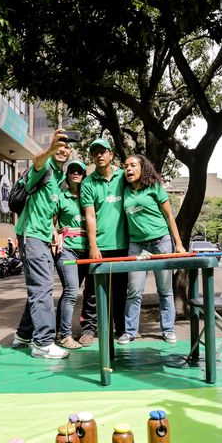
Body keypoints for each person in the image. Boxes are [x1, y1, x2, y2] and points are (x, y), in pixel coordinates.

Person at [12, 129, 72, 359]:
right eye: (60, 146)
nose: (63, 149)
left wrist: (55, 232)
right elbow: (37, 162)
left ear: (70, 153)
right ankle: (43, 343)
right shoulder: (44, 167)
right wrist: (50, 147)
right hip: (31, 236)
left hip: (44, 238)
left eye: (66, 147)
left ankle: (23, 335)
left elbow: (47, 212)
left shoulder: (58, 178)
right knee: (43, 288)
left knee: (39, 288)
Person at [117, 154, 185, 345]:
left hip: (160, 242)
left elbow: (169, 217)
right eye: (125, 167)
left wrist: (178, 244)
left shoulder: (155, 187)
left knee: (164, 289)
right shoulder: (126, 190)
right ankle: (130, 331)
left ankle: (168, 330)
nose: (128, 169)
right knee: (134, 291)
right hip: (137, 245)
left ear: (143, 168)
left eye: (132, 165)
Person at [79, 138, 128, 345]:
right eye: (95, 152)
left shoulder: (123, 176)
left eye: (103, 151)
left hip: (124, 245)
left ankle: (122, 329)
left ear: (111, 155)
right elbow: (90, 216)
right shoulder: (88, 183)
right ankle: (88, 329)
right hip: (100, 247)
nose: (99, 155)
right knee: (92, 290)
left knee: (120, 290)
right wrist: (93, 246)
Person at [54, 160, 96, 349]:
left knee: (89, 293)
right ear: (67, 175)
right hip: (68, 251)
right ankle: (64, 334)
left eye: (79, 171)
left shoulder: (89, 195)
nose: (76, 173)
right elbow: (50, 223)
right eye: (72, 170)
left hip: (89, 251)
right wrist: (57, 233)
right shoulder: (61, 198)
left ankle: (83, 330)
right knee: (71, 291)